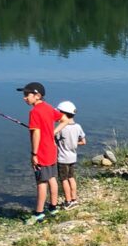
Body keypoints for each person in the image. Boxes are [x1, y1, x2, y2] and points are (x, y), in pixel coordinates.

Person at [18, 81, 62, 225]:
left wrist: (34, 154)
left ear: (37, 96)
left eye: (27, 95)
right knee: (52, 179)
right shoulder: (49, 108)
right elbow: (64, 119)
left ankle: (39, 213)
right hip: (51, 150)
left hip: (41, 152)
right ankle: (54, 208)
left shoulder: (34, 112)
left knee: (41, 182)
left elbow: (36, 133)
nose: (24, 98)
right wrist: (52, 133)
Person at [54, 100, 86, 209]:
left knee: (64, 179)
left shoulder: (61, 128)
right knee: (71, 177)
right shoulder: (78, 126)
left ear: (62, 114)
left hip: (62, 159)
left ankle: (68, 201)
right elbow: (83, 141)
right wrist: (73, 143)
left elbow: (52, 140)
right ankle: (74, 199)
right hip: (73, 157)